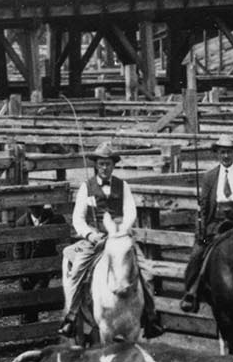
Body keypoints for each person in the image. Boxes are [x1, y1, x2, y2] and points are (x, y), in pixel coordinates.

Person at [59, 139, 161, 341]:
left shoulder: (123, 186)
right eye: (101, 164)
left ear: (114, 165)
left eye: (108, 164)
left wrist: (121, 230)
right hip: (96, 239)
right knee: (78, 270)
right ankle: (70, 317)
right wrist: (90, 234)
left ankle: (151, 318)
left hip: (120, 237)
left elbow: (131, 212)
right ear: (96, 165)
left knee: (146, 272)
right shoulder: (85, 188)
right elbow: (78, 219)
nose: (105, 168)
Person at [180, 134, 233, 313]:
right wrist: (201, 229)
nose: (226, 156)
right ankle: (191, 293)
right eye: (222, 152)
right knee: (196, 256)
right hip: (214, 225)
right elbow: (204, 205)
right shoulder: (209, 177)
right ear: (217, 154)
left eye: (229, 152)